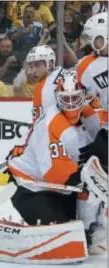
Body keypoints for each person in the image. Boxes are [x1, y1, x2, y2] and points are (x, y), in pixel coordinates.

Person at [0, 72, 107, 264]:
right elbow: (56, 175)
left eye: (75, 98)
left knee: (84, 233)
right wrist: (93, 183)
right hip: (32, 189)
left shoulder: (90, 115)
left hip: (63, 190)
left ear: (84, 96)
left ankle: (85, 226)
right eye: (65, 98)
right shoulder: (52, 123)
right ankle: (3, 239)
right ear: (57, 98)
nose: (71, 103)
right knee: (66, 235)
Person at [76, 12, 108, 172]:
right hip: (103, 131)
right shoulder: (84, 65)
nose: (90, 42)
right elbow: (74, 97)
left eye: (93, 37)